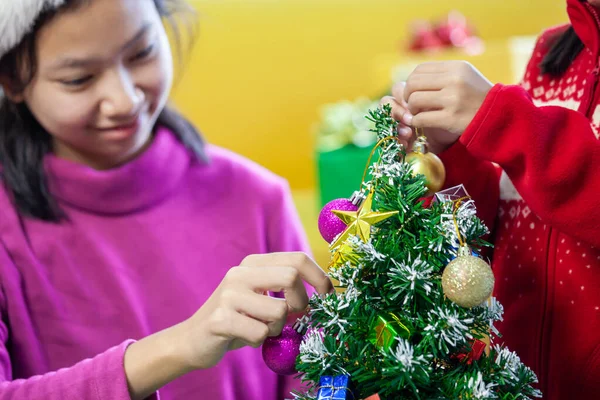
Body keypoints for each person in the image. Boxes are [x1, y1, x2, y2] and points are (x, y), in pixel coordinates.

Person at [0, 1, 332, 399]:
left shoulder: (258, 197)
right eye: (79, 78)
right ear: (12, 80)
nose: (124, 100)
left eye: (142, 53)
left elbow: (318, 378)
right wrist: (181, 345)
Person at [383, 0, 600, 398]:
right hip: (510, 382)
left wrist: (502, 119)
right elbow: (504, 220)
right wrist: (450, 153)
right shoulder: (553, 53)